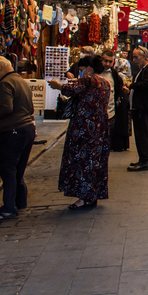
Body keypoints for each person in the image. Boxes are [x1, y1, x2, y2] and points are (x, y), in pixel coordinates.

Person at [48, 56, 110, 210]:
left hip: (84, 127)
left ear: (89, 68)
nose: (82, 73)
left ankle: (85, 197)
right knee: (95, 161)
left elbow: (69, 90)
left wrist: (57, 85)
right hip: (100, 127)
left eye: (82, 70)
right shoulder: (105, 83)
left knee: (82, 162)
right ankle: (93, 194)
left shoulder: (88, 81)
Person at [0, 55, 35, 221]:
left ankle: (8, 208)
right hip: (26, 129)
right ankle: (19, 202)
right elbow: (31, 108)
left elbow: (6, 107)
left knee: (8, 170)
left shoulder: (5, 83)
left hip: (13, 131)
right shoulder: (21, 81)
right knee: (18, 170)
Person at [128, 47, 148, 171]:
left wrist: (132, 85)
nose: (134, 60)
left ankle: (145, 160)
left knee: (142, 135)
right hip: (140, 106)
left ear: (144, 56)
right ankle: (143, 159)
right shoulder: (144, 69)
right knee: (140, 134)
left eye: (136, 57)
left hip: (143, 107)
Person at [101, 50, 130, 152]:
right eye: (105, 61)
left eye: (110, 61)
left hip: (111, 111)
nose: (108, 64)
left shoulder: (113, 73)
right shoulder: (95, 72)